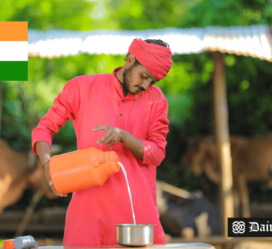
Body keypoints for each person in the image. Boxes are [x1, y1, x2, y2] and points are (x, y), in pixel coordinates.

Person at [31, 38, 173, 245]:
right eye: (144, 76)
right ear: (130, 60)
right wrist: (46, 164)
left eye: (152, 81)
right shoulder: (82, 87)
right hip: (88, 210)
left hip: (136, 211)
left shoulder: (156, 100)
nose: (145, 85)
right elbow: (44, 128)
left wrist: (123, 136)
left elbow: (157, 153)